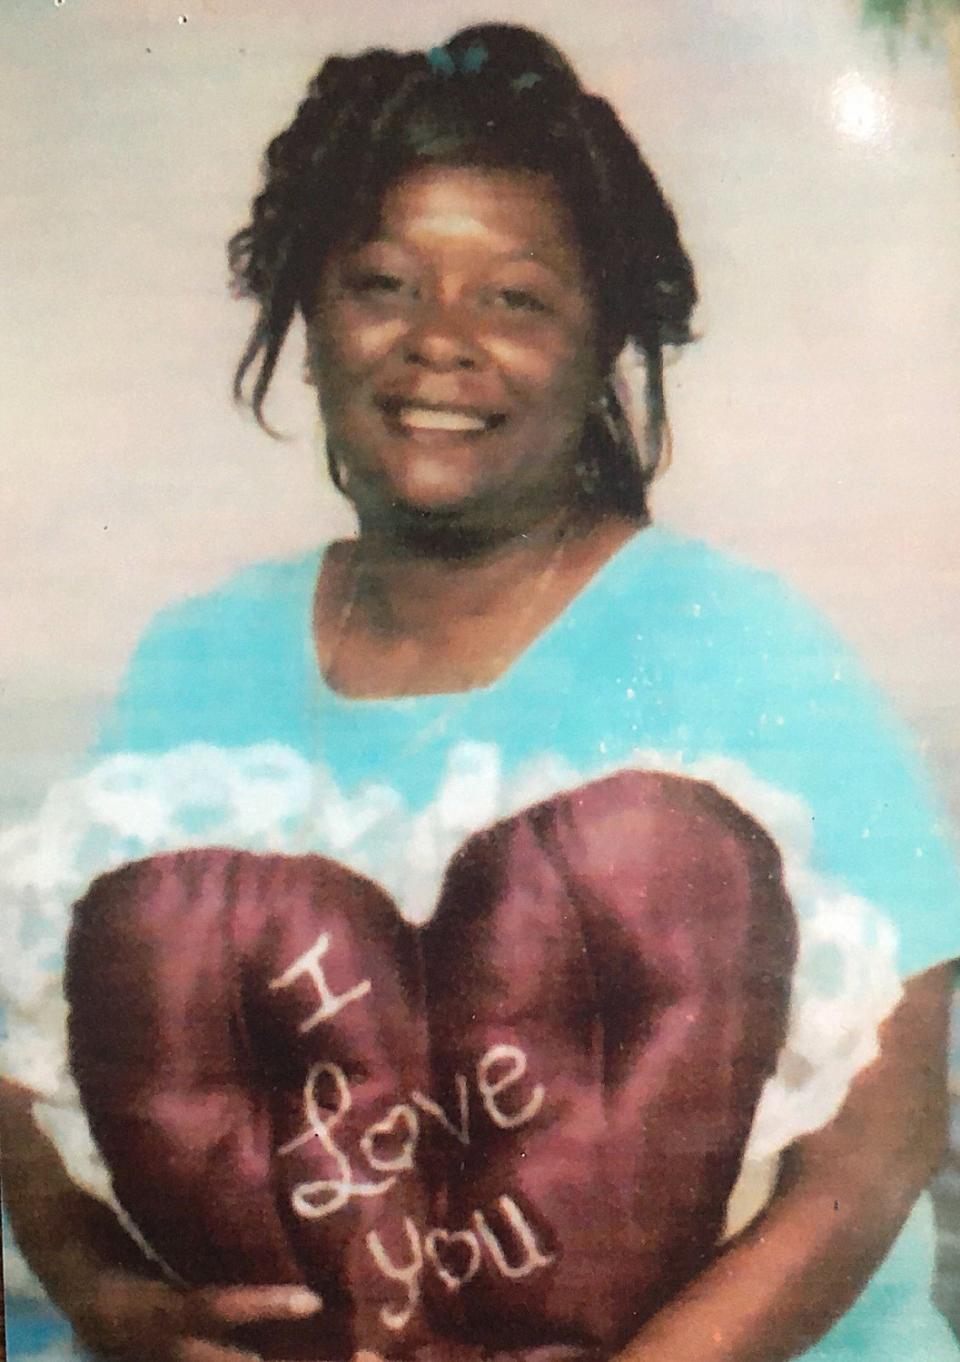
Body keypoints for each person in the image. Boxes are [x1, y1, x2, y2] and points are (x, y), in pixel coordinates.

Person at [2, 21, 959, 1362]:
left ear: (603, 343)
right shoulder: (196, 657)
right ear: (306, 315)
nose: (440, 344)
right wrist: (112, 1304)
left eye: (515, 299)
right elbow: (34, 1072)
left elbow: (885, 1131)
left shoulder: (742, 647)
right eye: (382, 284)